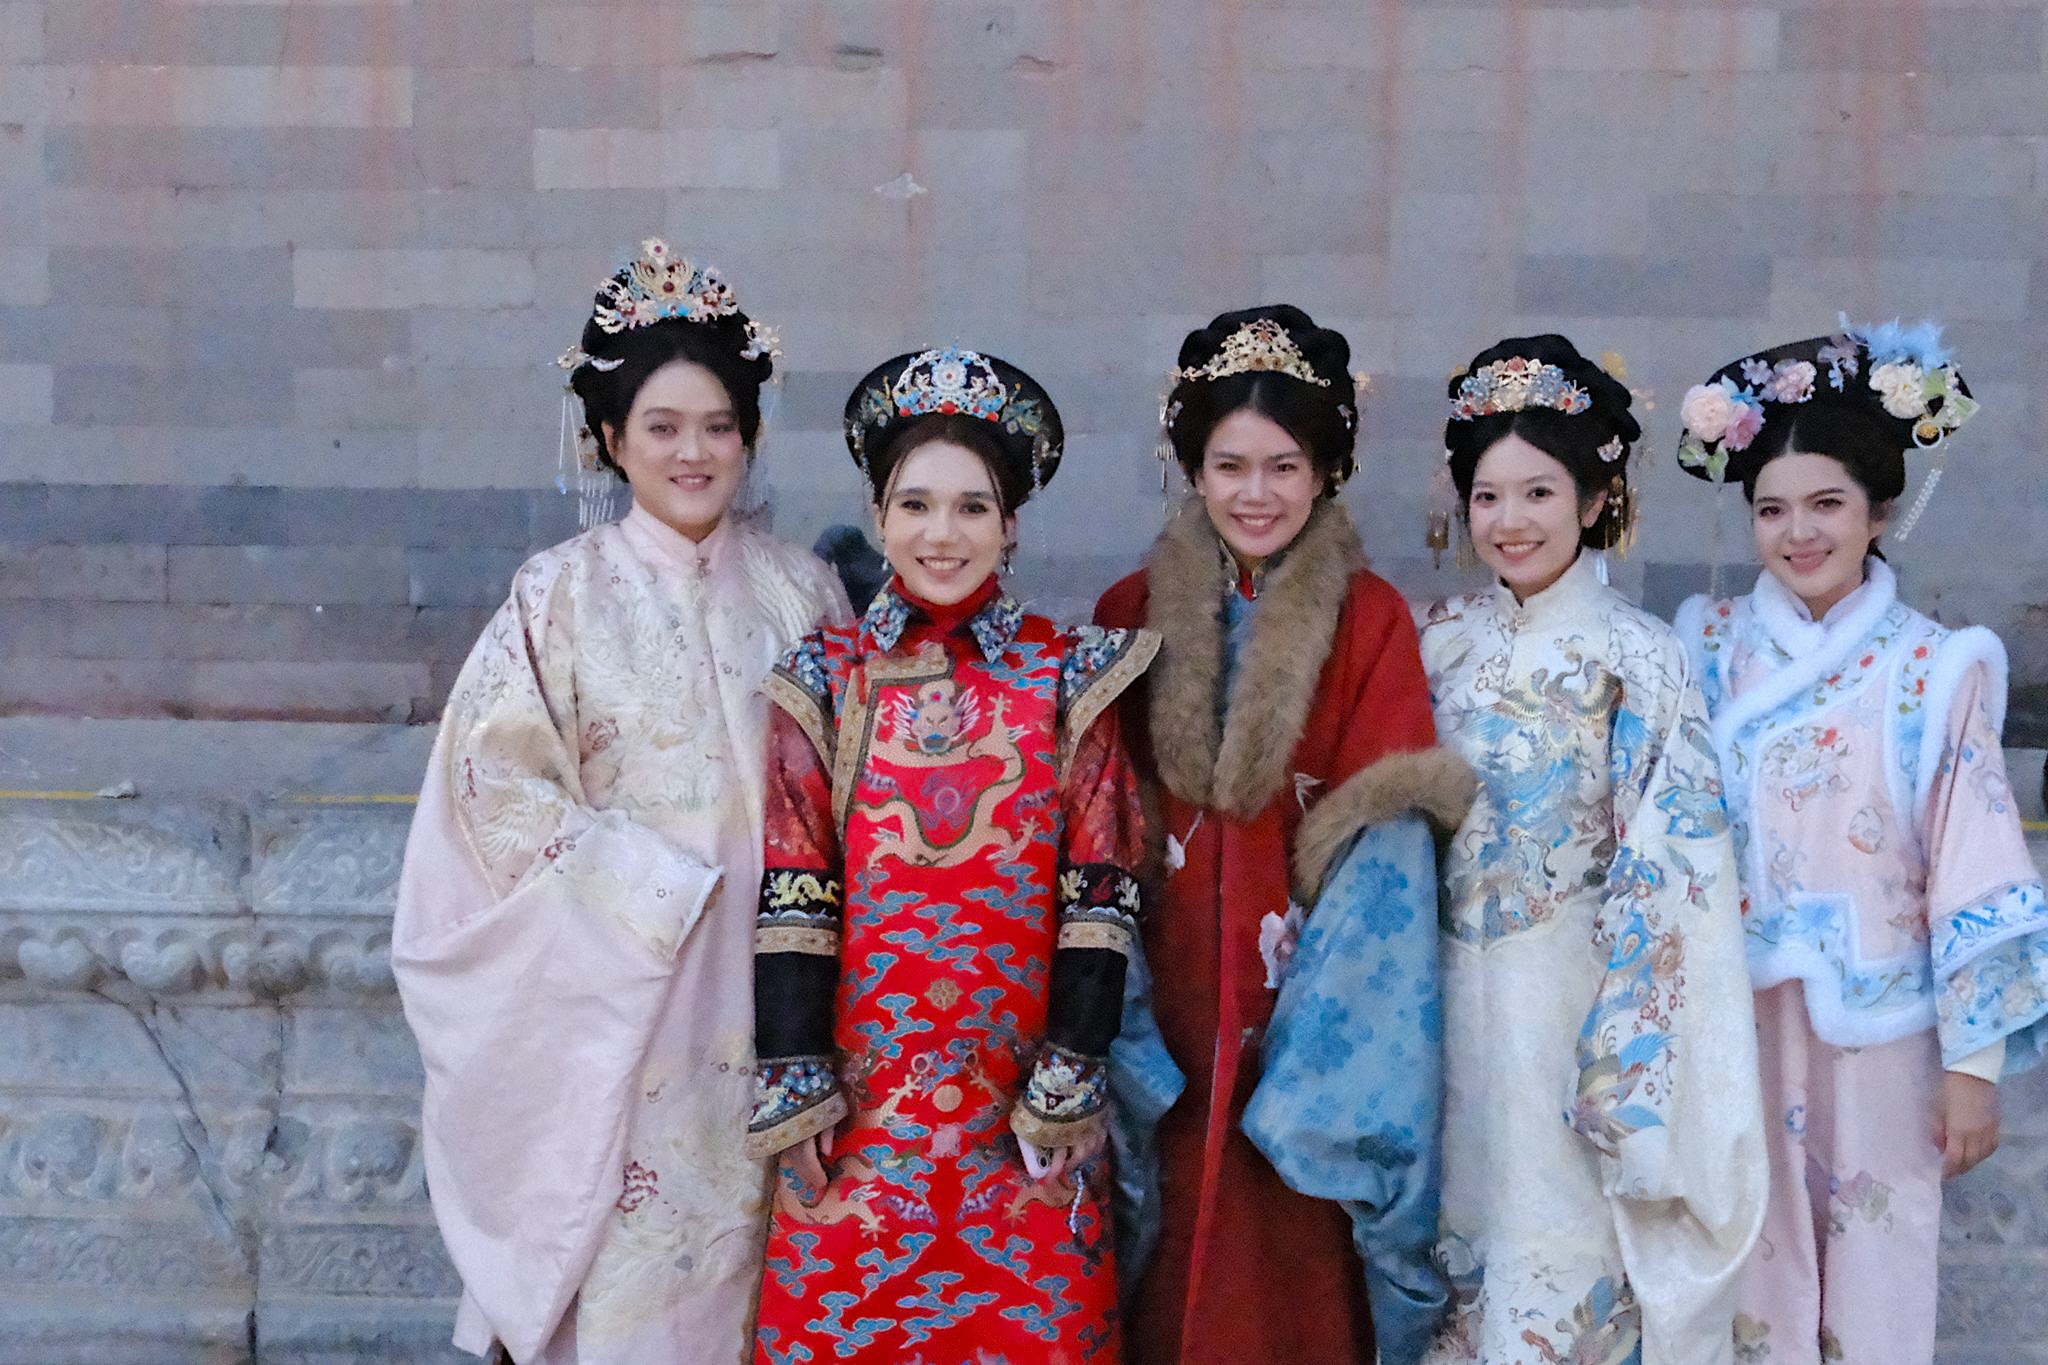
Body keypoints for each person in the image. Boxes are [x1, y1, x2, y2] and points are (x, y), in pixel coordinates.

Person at [390, 240, 849, 1365]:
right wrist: (650, 890)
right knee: (634, 1271)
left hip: (789, 993)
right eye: (661, 428)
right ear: (608, 438)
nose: (693, 454)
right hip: (630, 992)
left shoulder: (805, 589)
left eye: (717, 426)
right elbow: (489, 794)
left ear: (748, 432)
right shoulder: (557, 595)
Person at [745, 347, 1158, 1364]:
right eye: (915, 505)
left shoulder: (1071, 676)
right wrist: (797, 1084)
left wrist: (1066, 1080)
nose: (942, 535)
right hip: (861, 1111)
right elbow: (795, 884)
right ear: (879, 517)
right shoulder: (824, 678)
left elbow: (1098, 893)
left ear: (1009, 524)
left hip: (1018, 1104)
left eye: (972, 508)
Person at [1095, 305, 1475, 1365]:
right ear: (1191, 470)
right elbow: (1098, 820)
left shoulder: (1371, 618)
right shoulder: (1128, 608)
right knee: (1156, 1256)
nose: (1254, 494)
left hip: (1308, 1019)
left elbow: (1386, 860)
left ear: (1324, 472)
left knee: (1288, 1273)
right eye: (1228, 466)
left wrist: (1324, 1060)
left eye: (1282, 466)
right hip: (1161, 997)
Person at [1671, 321, 2048, 1364]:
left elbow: (1974, 851)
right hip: (1730, 1011)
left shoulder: (1932, 666)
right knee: (1743, 1263)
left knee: (1878, 1270)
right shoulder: (1703, 647)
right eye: (1771, 509)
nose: (1798, 533)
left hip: (1881, 1025)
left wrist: (1971, 1065)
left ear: (1877, 512)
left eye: (1825, 505)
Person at [1418, 335, 1767, 1365]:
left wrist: (1625, 1066)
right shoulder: (1434, 642)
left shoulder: (1639, 656)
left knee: (1556, 1265)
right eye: (1487, 496)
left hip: (1573, 1013)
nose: (1509, 520)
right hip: (1442, 1009)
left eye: (1537, 492)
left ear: (1591, 497)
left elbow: (1673, 873)